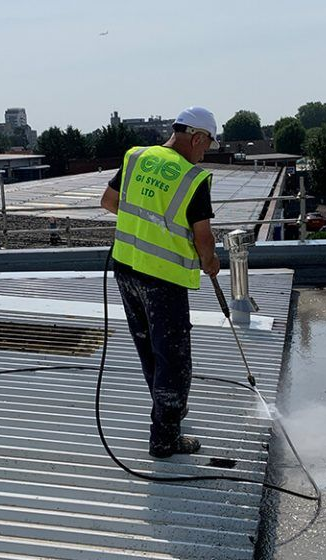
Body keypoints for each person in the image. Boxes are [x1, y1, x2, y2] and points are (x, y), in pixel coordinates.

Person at [100, 106, 221, 458]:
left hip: (126, 269)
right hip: (162, 281)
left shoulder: (137, 157)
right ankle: (164, 439)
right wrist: (210, 262)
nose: (204, 153)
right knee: (174, 360)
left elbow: (109, 201)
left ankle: (167, 413)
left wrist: (148, 226)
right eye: (206, 145)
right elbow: (203, 238)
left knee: (150, 352)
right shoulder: (192, 178)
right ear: (196, 137)